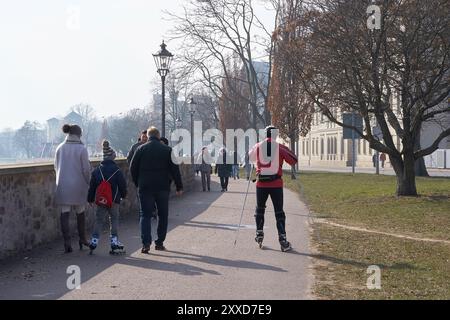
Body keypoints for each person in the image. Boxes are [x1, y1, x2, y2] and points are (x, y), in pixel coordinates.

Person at [130, 127, 183, 253]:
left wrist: (138, 183)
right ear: (158, 136)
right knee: (163, 215)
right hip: (162, 187)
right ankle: (159, 242)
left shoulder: (140, 149)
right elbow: (175, 170)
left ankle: (146, 243)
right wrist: (179, 186)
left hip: (145, 187)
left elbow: (133, 168)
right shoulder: (167, 150)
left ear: (148, 136)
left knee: (145, 215)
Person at [248, 125, 298, 252]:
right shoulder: (280, 147)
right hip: (276, 184)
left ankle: (259, 233)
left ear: (265, 135)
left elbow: (249, 157)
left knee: (260, 209)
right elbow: (293, 160)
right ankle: (283, 240)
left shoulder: (258, 146)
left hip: (261, 185)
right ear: (276, 135)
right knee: (279, 212)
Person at [54, 124, 91, 253]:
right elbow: (86, 170)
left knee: (64, 213)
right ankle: (82, 239)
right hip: (79, 185)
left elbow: (56, 167)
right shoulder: (82, 149)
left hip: (63, 185)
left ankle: (67, 242)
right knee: (80, 211)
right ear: (79, 135)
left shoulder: (60, 148)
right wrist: (88, 182)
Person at [87, 140, 127, 255]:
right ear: (112, 157)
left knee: (99, 220)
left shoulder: (97, 171)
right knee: (113, 219)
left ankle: (94, 241)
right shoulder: (117, 170)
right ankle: (114, 242)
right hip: (114, 200)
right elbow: (122, 185)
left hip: (101, 201)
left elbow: (92, 186)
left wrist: (90, 199)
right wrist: (123, 195)